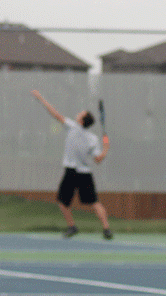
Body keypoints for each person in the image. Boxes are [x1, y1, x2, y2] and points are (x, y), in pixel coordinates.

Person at [30, 89, 113, 240]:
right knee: (94, 202)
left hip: (71, 172)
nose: (79, 113)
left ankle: (72, 226)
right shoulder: (93, 139)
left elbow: (55, 114)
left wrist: (41, 99)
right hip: (85, 173)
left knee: (62, 201)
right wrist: (106, 149)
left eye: (81, 113)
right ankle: (106, 229)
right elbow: (98, 160)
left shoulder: (72, 127)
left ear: (81, 121)